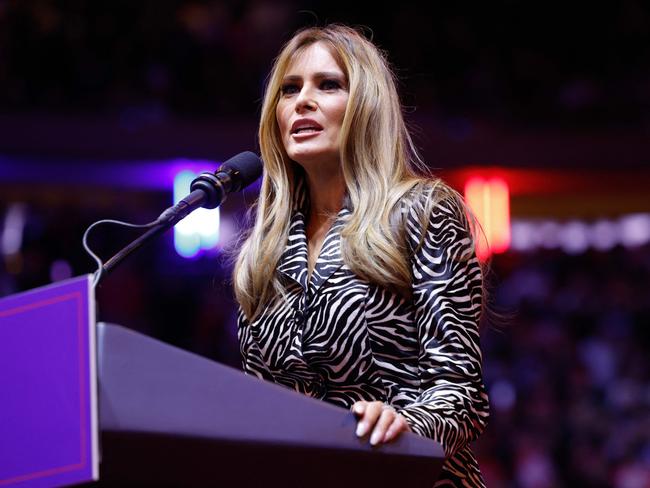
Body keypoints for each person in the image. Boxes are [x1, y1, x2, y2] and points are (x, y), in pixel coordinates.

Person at [233, 24, 489, 487]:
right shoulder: (263, 248)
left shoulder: (423, 211)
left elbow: (462, 395)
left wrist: (406, 423)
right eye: (289, 89)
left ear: (366, 104)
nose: (301, 101)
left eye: (327, 85)